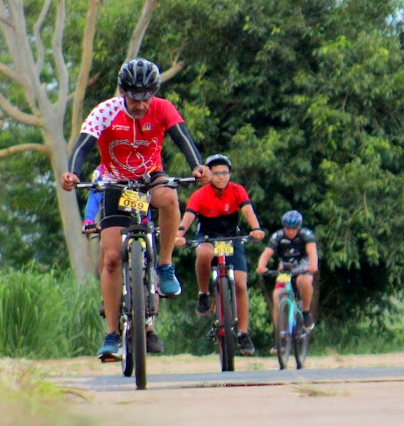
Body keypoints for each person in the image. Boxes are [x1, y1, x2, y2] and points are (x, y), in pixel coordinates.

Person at [60, 57, 211, 360]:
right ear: (123, 91)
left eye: (146, 97)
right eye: (134, 97)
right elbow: (83, 145)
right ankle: (113, 334)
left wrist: (198, 166)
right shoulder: (105, 111)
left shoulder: (163, 108)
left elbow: (183, 137)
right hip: (116, 183)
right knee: (113, 257)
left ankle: (165, 265)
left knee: (169, 197)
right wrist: (73, 172)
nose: (141, 104)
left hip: (148, 178)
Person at [174, 154, 265, 356]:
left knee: (241, 283)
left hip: (232, 238)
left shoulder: (237, 190)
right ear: (209, 174)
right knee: (203, 253)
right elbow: (188, 217)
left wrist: (256, 228)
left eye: (225, 173)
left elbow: (248, 211)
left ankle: (243, 333)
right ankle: (204, 293)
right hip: (208, 236)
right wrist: (179, 235)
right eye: (216, 173)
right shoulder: (200, 194)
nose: (222, 177)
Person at [255, 210, 318, 340]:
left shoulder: (306, 234)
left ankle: (306, 312)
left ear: (298, 227)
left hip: (303, 265)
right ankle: (281, 337)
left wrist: (313, 266)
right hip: (286, 267)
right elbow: (267, 253)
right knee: (277, 296)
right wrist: (261, 266)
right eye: (287, 228)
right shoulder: (278, 236)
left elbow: (312, 251)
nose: (290, 231)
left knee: (304, 281)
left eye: (293, 228)